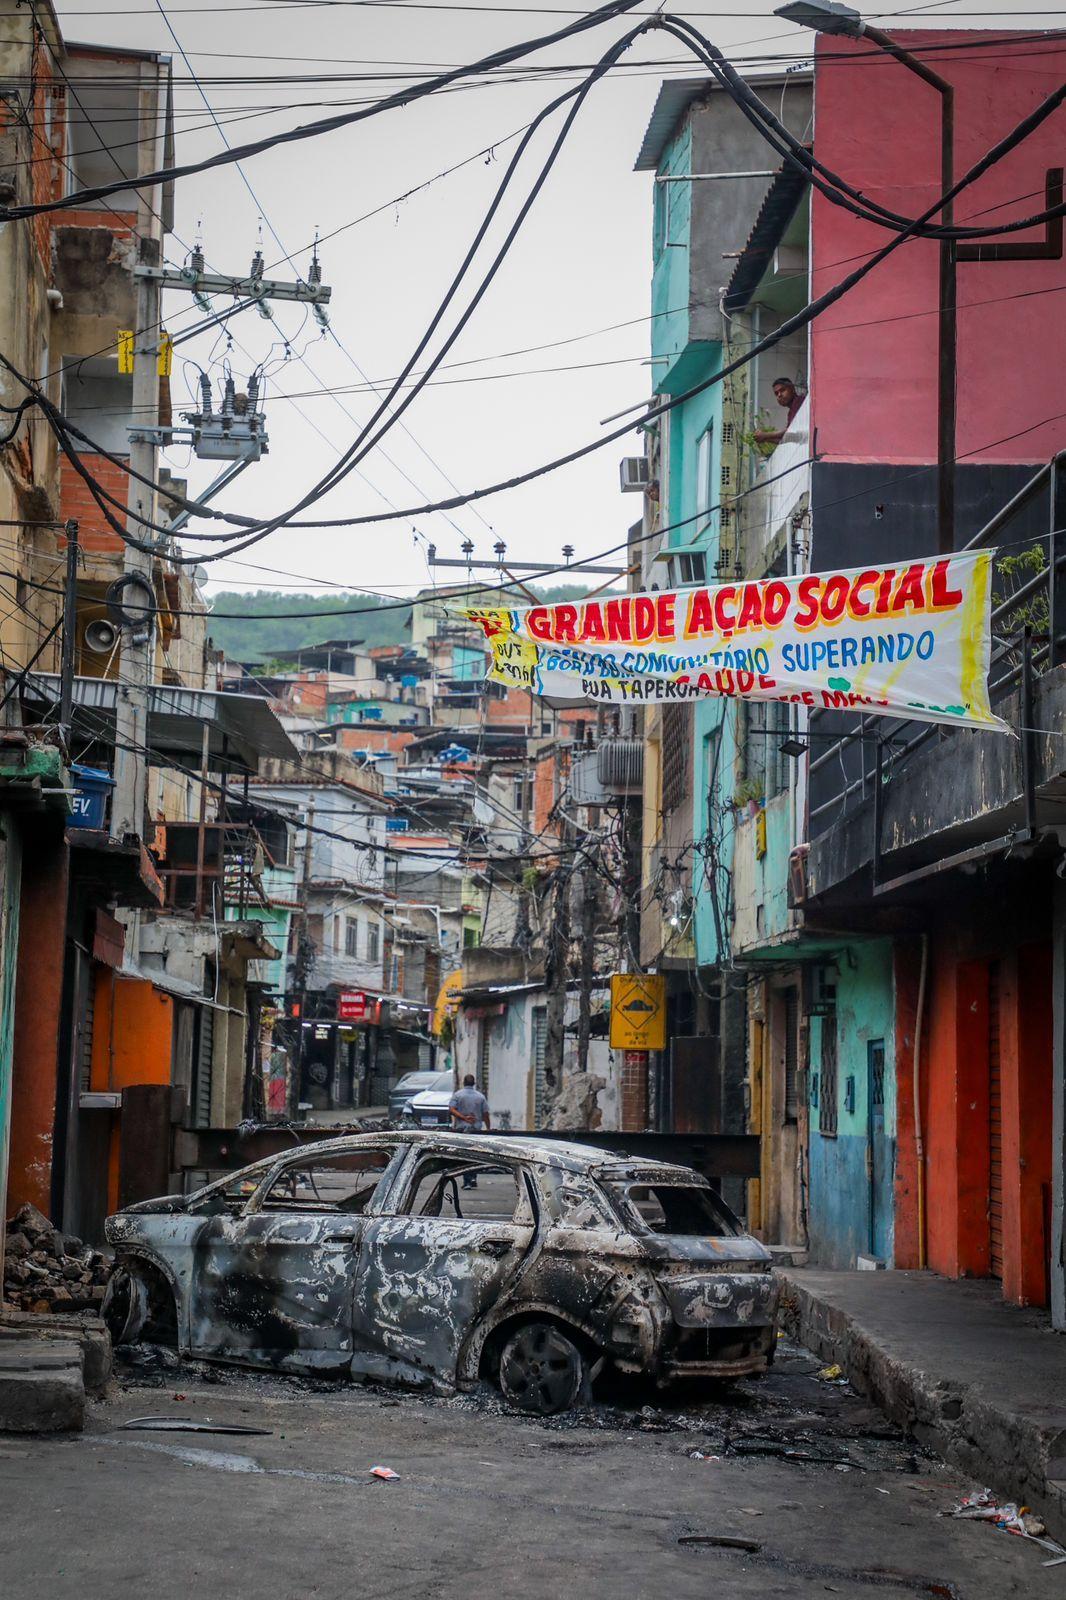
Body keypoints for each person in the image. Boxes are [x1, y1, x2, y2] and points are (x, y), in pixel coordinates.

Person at [449, 1074, 491, 1189]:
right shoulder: (480, 1097)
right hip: (476, 1130)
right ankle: (472, 1177)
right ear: (474, 1083)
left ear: (463, 1083)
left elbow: (451, 1109)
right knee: (475, 1154)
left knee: (464, 1154)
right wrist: (488, 1128)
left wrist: (463, 1117)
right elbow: (486, 1114)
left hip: (462, 1129)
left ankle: (467, 1181)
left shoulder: (458, 1095)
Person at [752, 377, 806, 448]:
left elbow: (790, 431)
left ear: (792, 389)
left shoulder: (800, 401)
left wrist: (765, 435)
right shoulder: (791, 411)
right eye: (776, 393)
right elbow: (788, 438)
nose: (779, 395)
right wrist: (765, 439)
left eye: (782, 390)